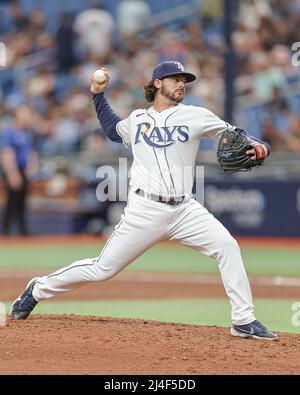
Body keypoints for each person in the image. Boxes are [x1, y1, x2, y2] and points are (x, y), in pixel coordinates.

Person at [10, 61, 278, 340]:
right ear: (158, 83)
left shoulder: (197, 115)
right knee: (102, 269)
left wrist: (261, 147)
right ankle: (38, 288)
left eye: (184, 80)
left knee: (227, 246)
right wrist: (97, 95)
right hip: (145, 209)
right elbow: (113, 130)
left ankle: (243, 320)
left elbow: (238, 137)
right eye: (175, 79)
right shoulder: (138, 119)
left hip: (185, 209)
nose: (182, 84)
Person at [0, 105, 38, 236]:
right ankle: (6, 230)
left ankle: (22, 230)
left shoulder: (27, 133)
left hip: (23, 171)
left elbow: (29, 151)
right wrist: (12, 174)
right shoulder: (9, 133)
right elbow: (7, 154)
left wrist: (32, 165)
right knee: (12, 201)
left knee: (22, 201)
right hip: (14, 171)